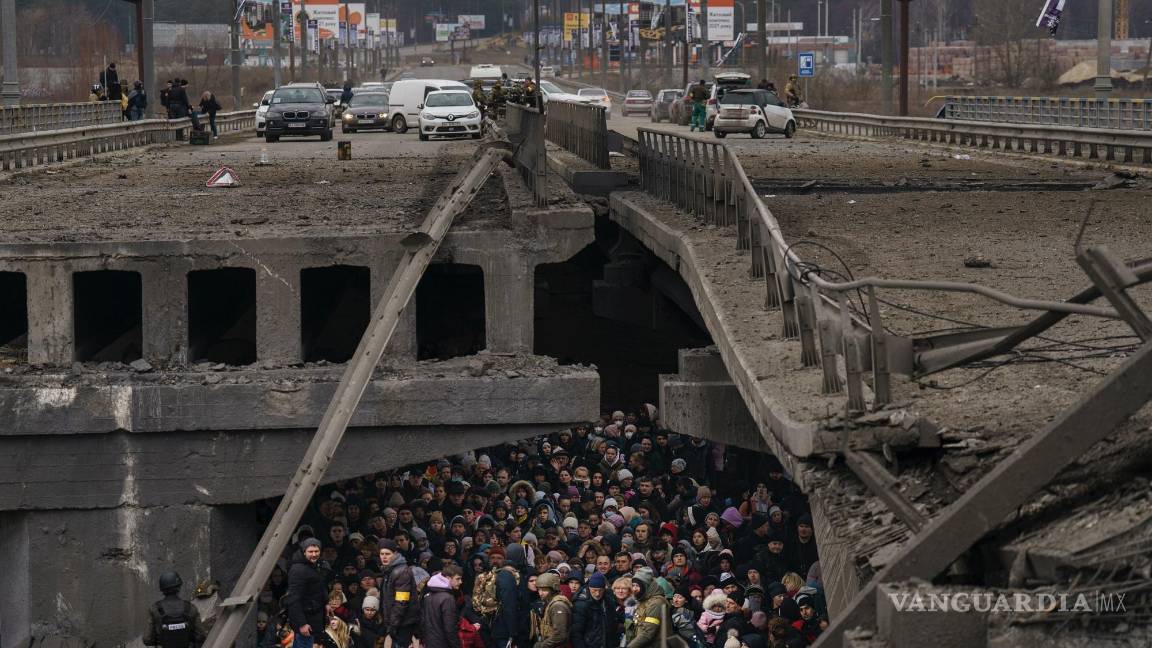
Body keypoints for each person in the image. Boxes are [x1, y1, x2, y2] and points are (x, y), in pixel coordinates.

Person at [284, 538, 328, 648]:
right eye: (310, 552)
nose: (314, 554)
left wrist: (326, 603)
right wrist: (302, 623)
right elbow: (293, 599)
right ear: (304, 552)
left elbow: (320, 587)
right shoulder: (298, 570)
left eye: (316, 551)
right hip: (306, 620)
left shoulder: (316, 565)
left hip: (315, 617)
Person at [144, 571, 207, 648]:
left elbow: (147, 639)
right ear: (179, 587)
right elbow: (201, 636)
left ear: (162, 589)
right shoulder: (190, 608)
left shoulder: (155, 609)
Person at [378, 539, 419, 648]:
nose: (384, 557)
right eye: (382, 554)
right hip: (396, 622)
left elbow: (401, 601)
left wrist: (393, 625)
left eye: (387, 554)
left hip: (403, 623)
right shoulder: (389, 570)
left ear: (395, 554)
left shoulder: (401, 572)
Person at [422, 564, 464, 648]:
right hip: (443, 643)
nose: (460, 582)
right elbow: (450, 627)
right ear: (448, 578)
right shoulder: (448, 598)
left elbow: (422, 621)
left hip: (430, 642)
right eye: (457, 579)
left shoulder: (428, 595)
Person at [624, 571, 667, 648]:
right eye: (633, 585)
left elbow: (648, 633)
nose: (634, 589)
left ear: (646, 586)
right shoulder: (643, 600)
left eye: (637, 586)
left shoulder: (656, 603)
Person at [571, 571, 609, 648]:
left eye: (600, 590)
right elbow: (576, 634)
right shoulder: (581, 604)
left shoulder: (607, 601)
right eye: (594, 590)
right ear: (589, 588)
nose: (597, 594)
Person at [533, 572, 571, 648]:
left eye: (544, 590)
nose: (540, 593)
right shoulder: (550, 603)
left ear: (553, 589)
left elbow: (560, 635)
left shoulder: (558, 606)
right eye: (539, 590)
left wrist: (541, 646)